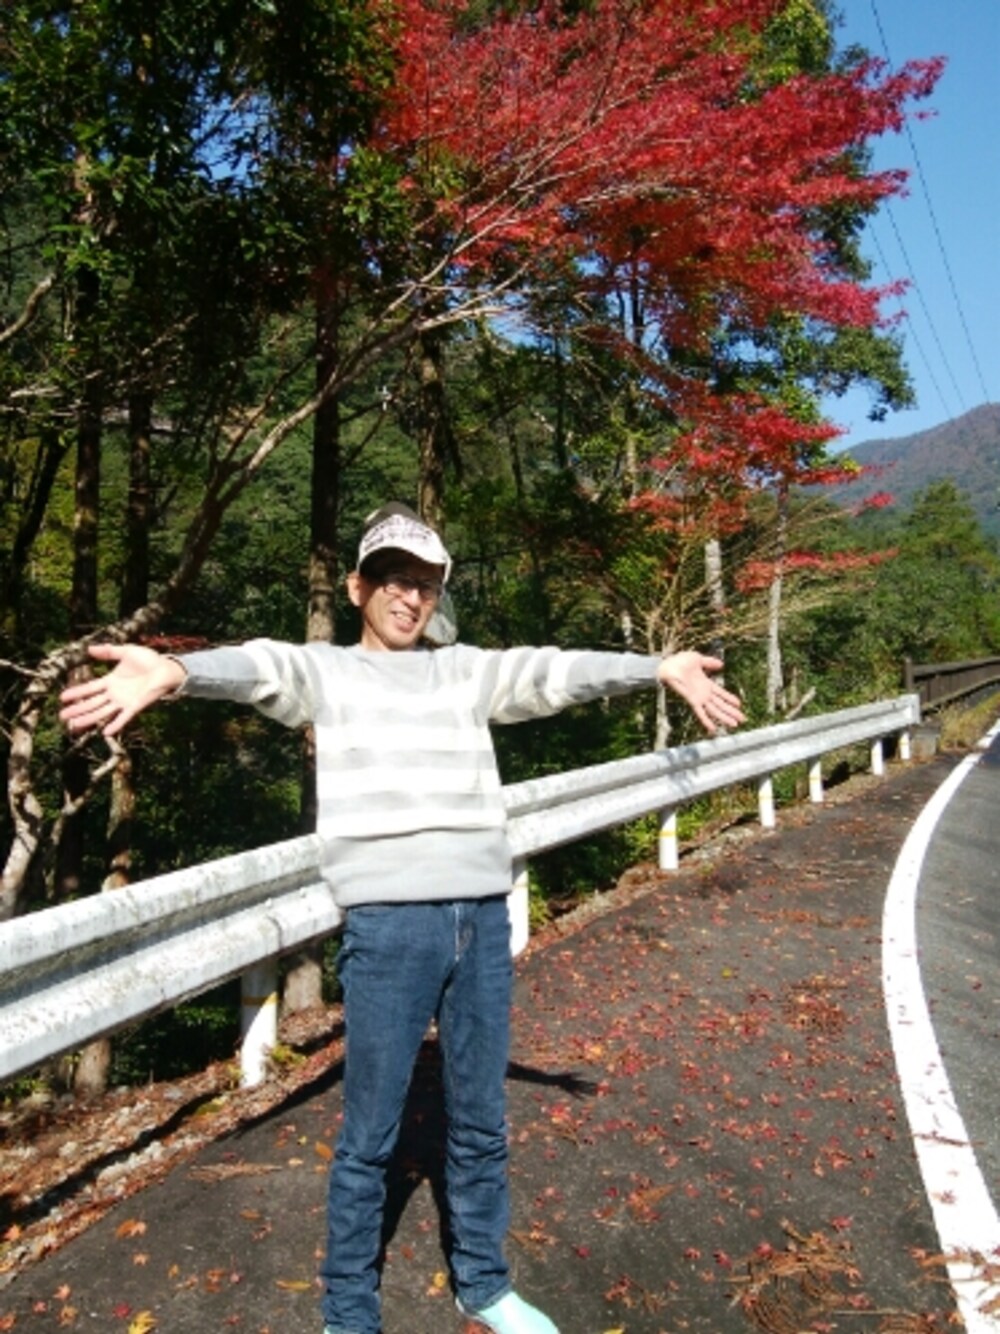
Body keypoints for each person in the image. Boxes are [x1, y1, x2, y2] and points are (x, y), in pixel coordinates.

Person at [60, 502, 745, 1334]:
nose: (408, 596)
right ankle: (349, 1312)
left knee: (481, 1119)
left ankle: (484, 1285)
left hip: (481, 920)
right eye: (392, 578)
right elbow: (261, 665)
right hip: (389, 928)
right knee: (370, 1135)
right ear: (358, 587)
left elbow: (552, 670)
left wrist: (656, 667)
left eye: (424, 584)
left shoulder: (464, 673)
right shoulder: (327, 673)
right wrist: (175, 672)